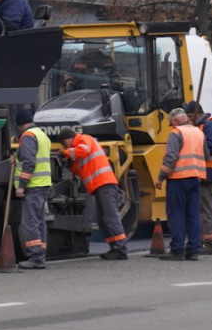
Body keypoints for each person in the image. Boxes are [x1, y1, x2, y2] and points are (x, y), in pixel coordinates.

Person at [58, 125, 128, 260]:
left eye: (64, 143)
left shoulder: (84, 139)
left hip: (105, 184)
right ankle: (115, 247)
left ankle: (120, 249)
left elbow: (83, 151)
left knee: (110, 217)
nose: (64, 146)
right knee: (103, 220)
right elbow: (79, 169)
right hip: (100, 186)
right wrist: (69, 163)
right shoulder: (78, 148)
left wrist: (66, 153)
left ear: (70, 138)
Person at [154, 108, 208, 261]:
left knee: (176, 214)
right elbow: (207, 154)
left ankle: (177, 250)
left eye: (171, 121)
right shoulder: (199, 133)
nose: (170, 124)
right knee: (193, 215)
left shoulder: (176, 133)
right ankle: (193, 250)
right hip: (195, 178)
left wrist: (161, 177)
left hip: (178, 179)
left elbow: (171, 157)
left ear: (176, 120)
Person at [185, 101, 212, 255]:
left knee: (207, 208)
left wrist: (195, 146)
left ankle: (211, 243)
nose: (189, 119)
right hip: (205, 172)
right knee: (201, 207)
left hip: (211, 172)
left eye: (191, 116)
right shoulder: (199, 126)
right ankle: (200, 241)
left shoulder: (209, 125)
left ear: (198, 114)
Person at [12, 109, 52, 269]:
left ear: (20, 125)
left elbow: (29, 163)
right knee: (40, 222)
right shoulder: (41, 134)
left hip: (33, 185)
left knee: (30, 223)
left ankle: (36, 258)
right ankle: (40, 254)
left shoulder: (27, 136)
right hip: (43, 183)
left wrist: (21, 186)